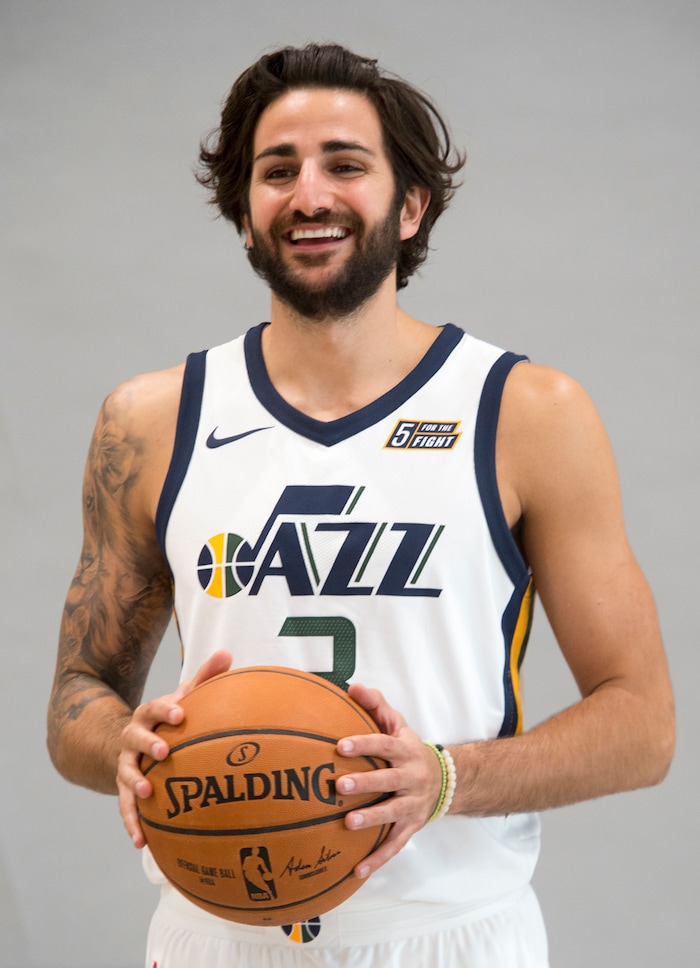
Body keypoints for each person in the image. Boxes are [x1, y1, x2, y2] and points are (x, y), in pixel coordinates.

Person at [47, 42, 674, 968]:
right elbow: (76, 702)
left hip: (448, 937)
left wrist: (449, 777)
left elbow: (643, 724)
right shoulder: (149, 422)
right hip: (217, 935)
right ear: (244, 210)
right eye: (277, 170)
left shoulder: (525, 413)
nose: (310, 196)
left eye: (346, 164)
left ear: (409, 204)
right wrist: (121, 746)